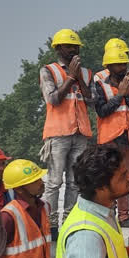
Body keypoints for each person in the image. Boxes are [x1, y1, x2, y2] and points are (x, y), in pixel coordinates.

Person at [39, 28, 93, 240]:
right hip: (58, 133)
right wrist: (70, 77)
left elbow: (91, 100)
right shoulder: (48, 71)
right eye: (69, 46)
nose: (73, 49)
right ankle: (50, 227)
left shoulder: (86, 72)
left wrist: (79, 77)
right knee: (54, 182)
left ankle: (69, 222)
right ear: (58, 48)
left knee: (74, 182)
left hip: (80, 132)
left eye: (76, 46)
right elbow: (53, 99)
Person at [93, 39, 129, 229]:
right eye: (118, 64)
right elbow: (101, 111)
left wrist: (125, 95)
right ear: (109, 66)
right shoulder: (100, 82)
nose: (122, 67)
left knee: (125, 178)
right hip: (109, 138)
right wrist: (118, 95)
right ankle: (108, 216)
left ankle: (124, 217)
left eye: (124, 64)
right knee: (107, 178)